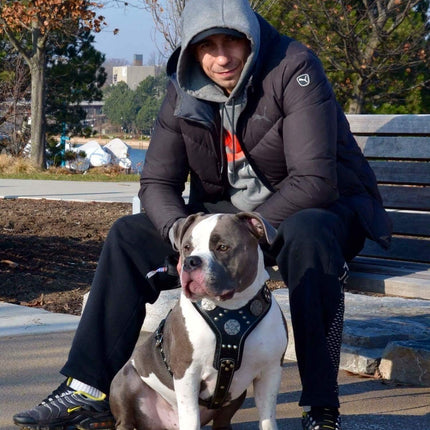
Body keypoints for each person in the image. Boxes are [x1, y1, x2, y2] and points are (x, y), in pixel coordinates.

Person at [13, 0, 392, 429]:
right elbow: (157, 184)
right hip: (229, 227)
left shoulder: (294, 67)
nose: (221, 57)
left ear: (252, 39)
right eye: (207, 46)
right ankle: (86, 388)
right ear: (192, 51)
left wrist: (254, 229)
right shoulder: (182, 87)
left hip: (317, 211)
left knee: (308, 237)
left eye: (232, 42)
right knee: (127, 237)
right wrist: (180, 234)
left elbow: (315, 179)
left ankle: (322, 407)